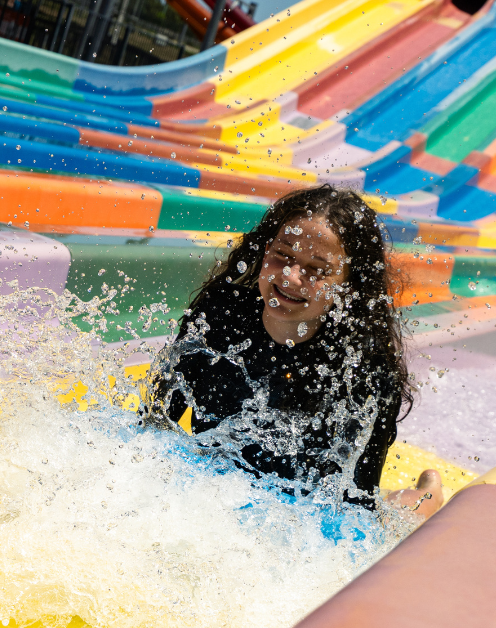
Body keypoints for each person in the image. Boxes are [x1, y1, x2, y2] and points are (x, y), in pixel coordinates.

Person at [146, 185, 443, 517]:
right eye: (283, 255)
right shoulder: (219, 316)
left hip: (295, 514)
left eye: (317, 269)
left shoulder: (359, 368)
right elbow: (155, 425)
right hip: (215, 492)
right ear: (264, 248)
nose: (291, 277)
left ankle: (428, 496)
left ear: (348, 283)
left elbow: (357, 505)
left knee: (396, 518)